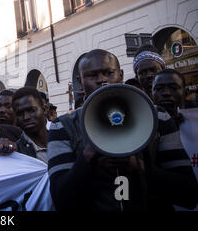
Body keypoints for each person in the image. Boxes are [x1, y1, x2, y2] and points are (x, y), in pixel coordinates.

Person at [47, 49, 198, 211]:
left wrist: (141, 167)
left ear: (121, 75)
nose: (102, 80)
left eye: (108, 73)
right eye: (92, 76)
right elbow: (61, 200)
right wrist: (88, 157)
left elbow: (188, 194)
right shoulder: (62, 126)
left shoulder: (158, 117)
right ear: (80, 81)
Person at [152, 69, 198, 210]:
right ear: (151, 93)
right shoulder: (144, 130)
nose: (166, 93)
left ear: (184, 91)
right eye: (159, 88)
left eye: (173, 87)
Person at [12, 87, 49, 164]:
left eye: (32, 110)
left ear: (45, 109)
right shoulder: (16, 154)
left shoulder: (65, 139)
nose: (26, 117)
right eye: (19, 113)